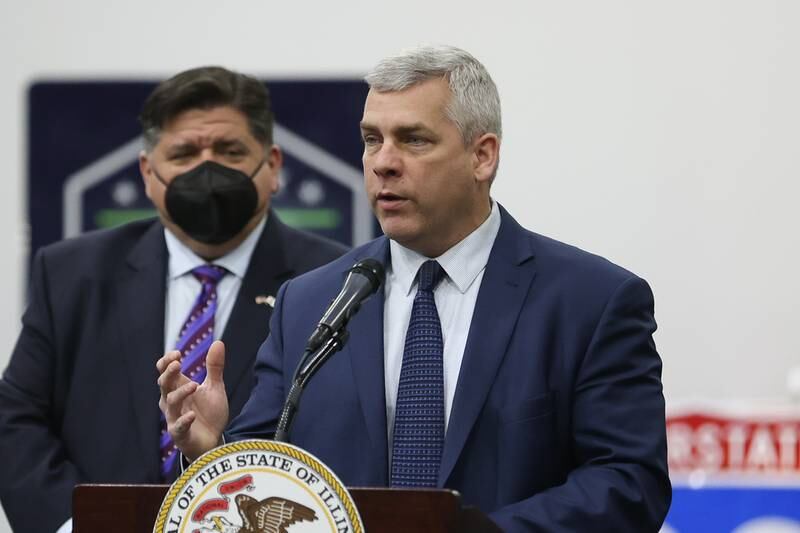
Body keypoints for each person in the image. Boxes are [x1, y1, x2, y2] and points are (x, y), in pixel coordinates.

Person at [158, 47, 671, 532]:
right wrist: (212, 450)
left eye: (414, 140)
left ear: (482, 156)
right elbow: (270, 472)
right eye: (371, 140)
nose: (383, 162)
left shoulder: (592, 302)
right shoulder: (309, 304)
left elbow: (628, 482)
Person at [0, 66, 347, 533]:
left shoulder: (337, 284)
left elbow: (347, 440)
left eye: (230, 151)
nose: (207, 170)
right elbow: (16, 419)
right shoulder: (71, 274)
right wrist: (74, 524)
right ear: (148, 172)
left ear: (273, 166)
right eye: (184, 152)